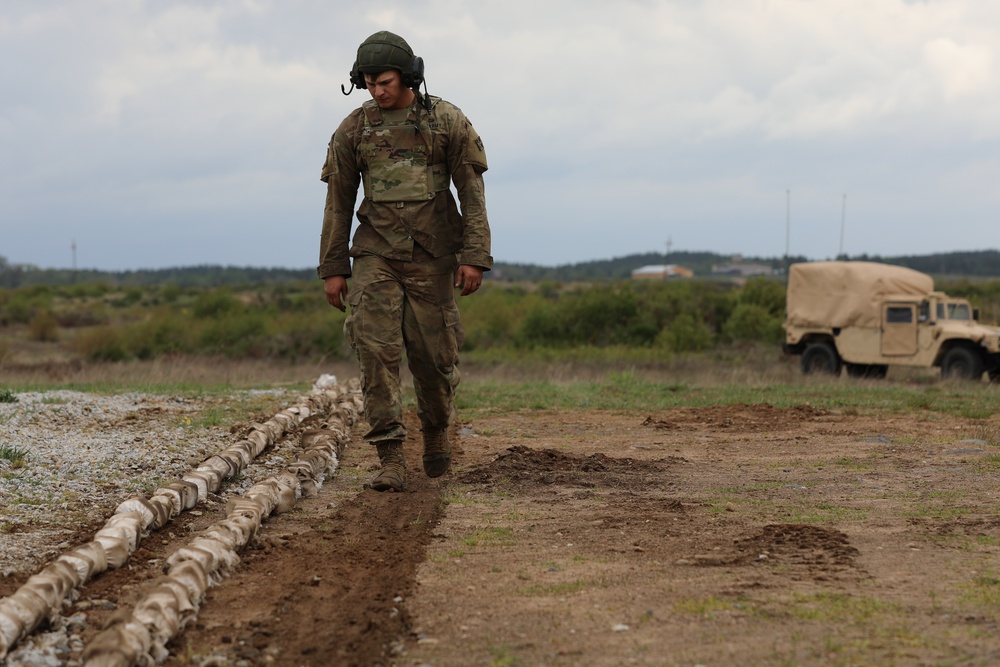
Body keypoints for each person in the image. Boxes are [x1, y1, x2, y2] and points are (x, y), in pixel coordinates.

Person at [317, 30, 493, 492]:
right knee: (375, 351)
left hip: (433, 256)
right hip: (376, 253)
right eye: (370, 82)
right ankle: (390, 458)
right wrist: (334, 268)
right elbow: (338, 202)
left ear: (409, 76)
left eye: (386, 81)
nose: (378, 91)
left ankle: (436, 435)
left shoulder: (445, 122)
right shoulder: (354, 129)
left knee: (434, 360)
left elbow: (472, 194)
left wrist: (475, 256)